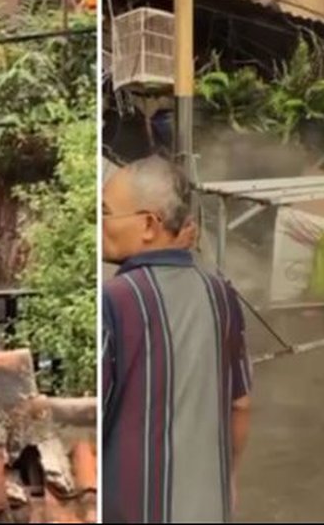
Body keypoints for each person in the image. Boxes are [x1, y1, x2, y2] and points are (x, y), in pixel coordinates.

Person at [101, 156, 253, 523]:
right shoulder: (221, 294)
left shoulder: (116, 300)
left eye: (105, 213)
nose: (100, 225)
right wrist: (227, 480)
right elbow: (241, 405)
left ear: (150, 225)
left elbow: (95, 417)